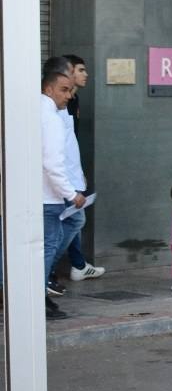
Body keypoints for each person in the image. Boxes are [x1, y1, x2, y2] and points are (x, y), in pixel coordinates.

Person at [41, 57, 85, 321]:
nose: (69, 95)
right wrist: (71, 193)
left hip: (44, 193)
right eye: (64, 90)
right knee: (48, 246)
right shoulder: (50, 117)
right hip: (49, 196)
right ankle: (38, 296)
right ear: (49, 89)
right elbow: (53, 162)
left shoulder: (40, 111)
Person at [61, 54, 104, 284]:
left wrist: (78, 171)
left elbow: (72, 141)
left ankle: (78, 264)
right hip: (62, 171)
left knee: (74, 219)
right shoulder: (59, 104)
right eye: (81, 70)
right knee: (74, 220)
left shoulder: (74, 100)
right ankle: (55, 269)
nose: (85, 74)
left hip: (71, 169)